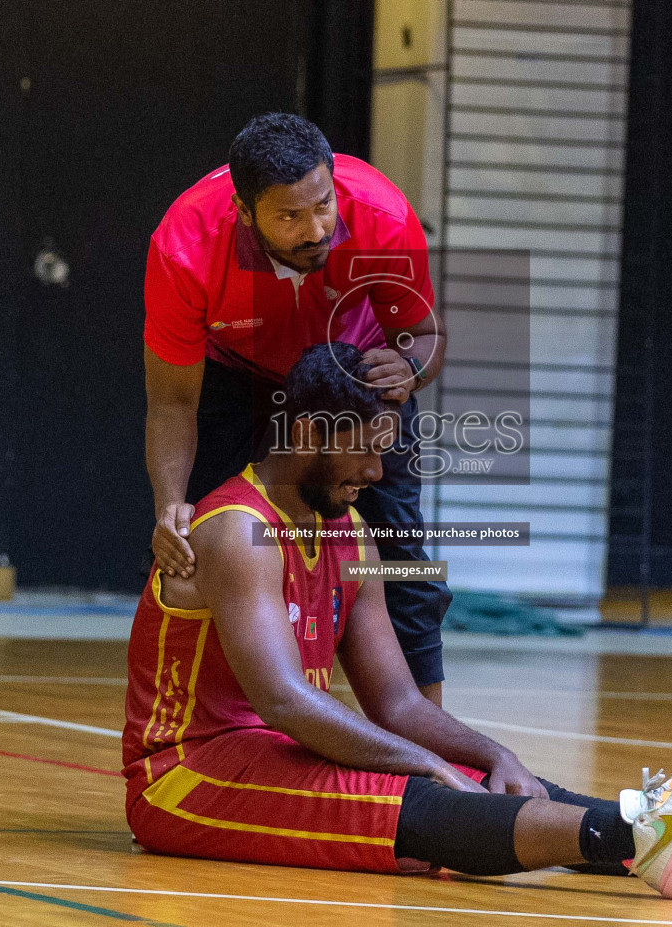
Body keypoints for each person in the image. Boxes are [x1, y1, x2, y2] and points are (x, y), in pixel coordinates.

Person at [122, 343, 672, 895]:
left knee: (494, 779)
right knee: (423, 794)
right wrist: (423, 764)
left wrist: (492, 752)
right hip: (188, 772)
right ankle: (647, 841)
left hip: (275, 749)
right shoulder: (237, 530)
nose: (377, 473)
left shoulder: (347, 533)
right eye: (364, 453)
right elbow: (285, 702)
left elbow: (393, 702)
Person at [143, 113, 452, 703]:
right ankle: (201, 726)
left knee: (400, 555)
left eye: (323, 206)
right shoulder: (183, 247)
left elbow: (425, 334)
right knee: (192, 541)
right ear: (242, 208)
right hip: (237, 374)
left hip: (352, 369)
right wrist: (170, 506)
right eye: (289, 216)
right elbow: (173, 402)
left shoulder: (383, 216)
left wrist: (411, 368)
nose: (315, 230)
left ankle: (434, 750)